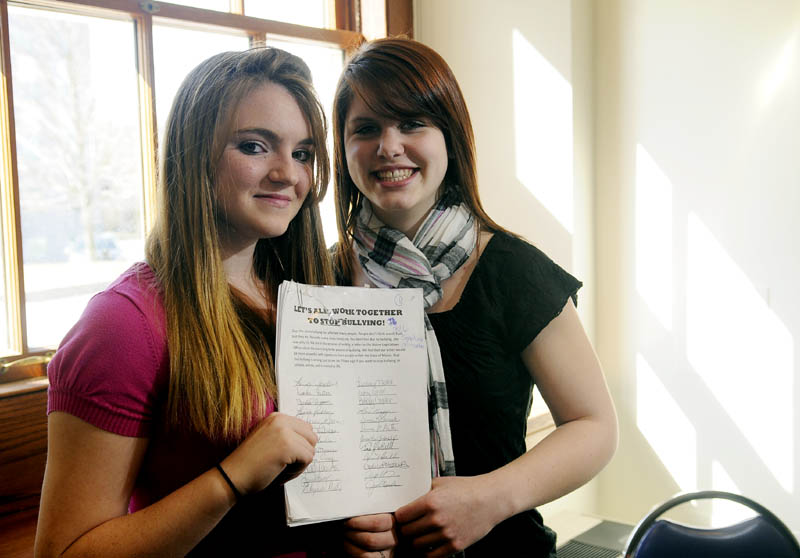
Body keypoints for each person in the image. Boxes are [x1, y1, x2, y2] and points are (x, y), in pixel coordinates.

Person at [35, 47, 336, 557]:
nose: (288, 173)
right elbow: (63, 552)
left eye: (303, 153)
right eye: (255, 146)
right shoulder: (124, 325)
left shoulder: (308, 295)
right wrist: (231, 478)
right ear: (196, 154)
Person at [332, 38, 619, 557]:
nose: (389, 146)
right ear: (343, 148)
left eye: (412, 123)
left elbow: (594, 426)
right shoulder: (317, 278)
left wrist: (487, 499)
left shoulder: (513, 269)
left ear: (450, 136)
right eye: (366, 128)